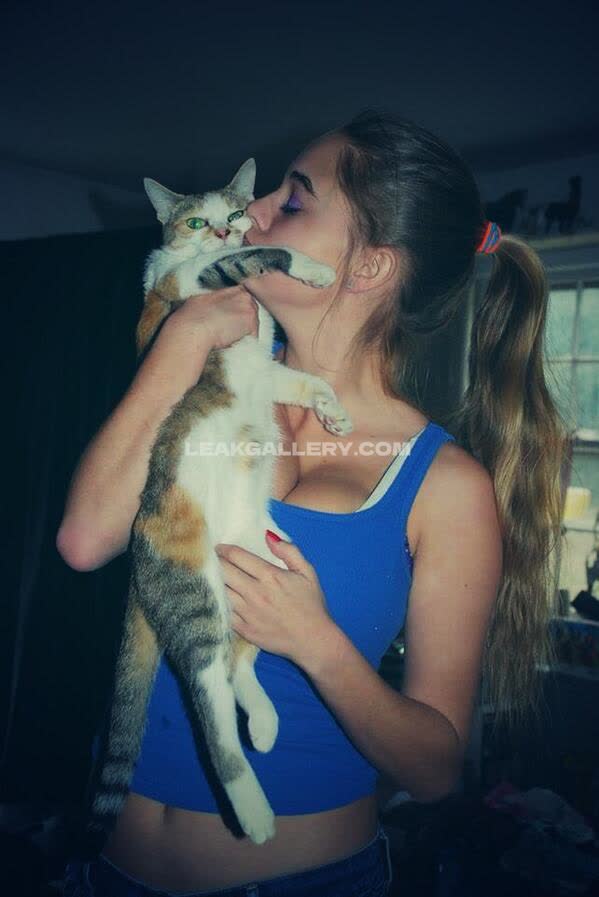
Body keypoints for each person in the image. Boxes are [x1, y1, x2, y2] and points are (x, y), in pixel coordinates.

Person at [57, 108, 566, 896]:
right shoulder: (200, 373)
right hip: (113, 870)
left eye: (291, 200)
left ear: (367, 267)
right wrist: (185, 334)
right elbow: (85, 539)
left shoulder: (442, 483)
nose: (253, 211)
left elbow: (434, 768)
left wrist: (313, 640)